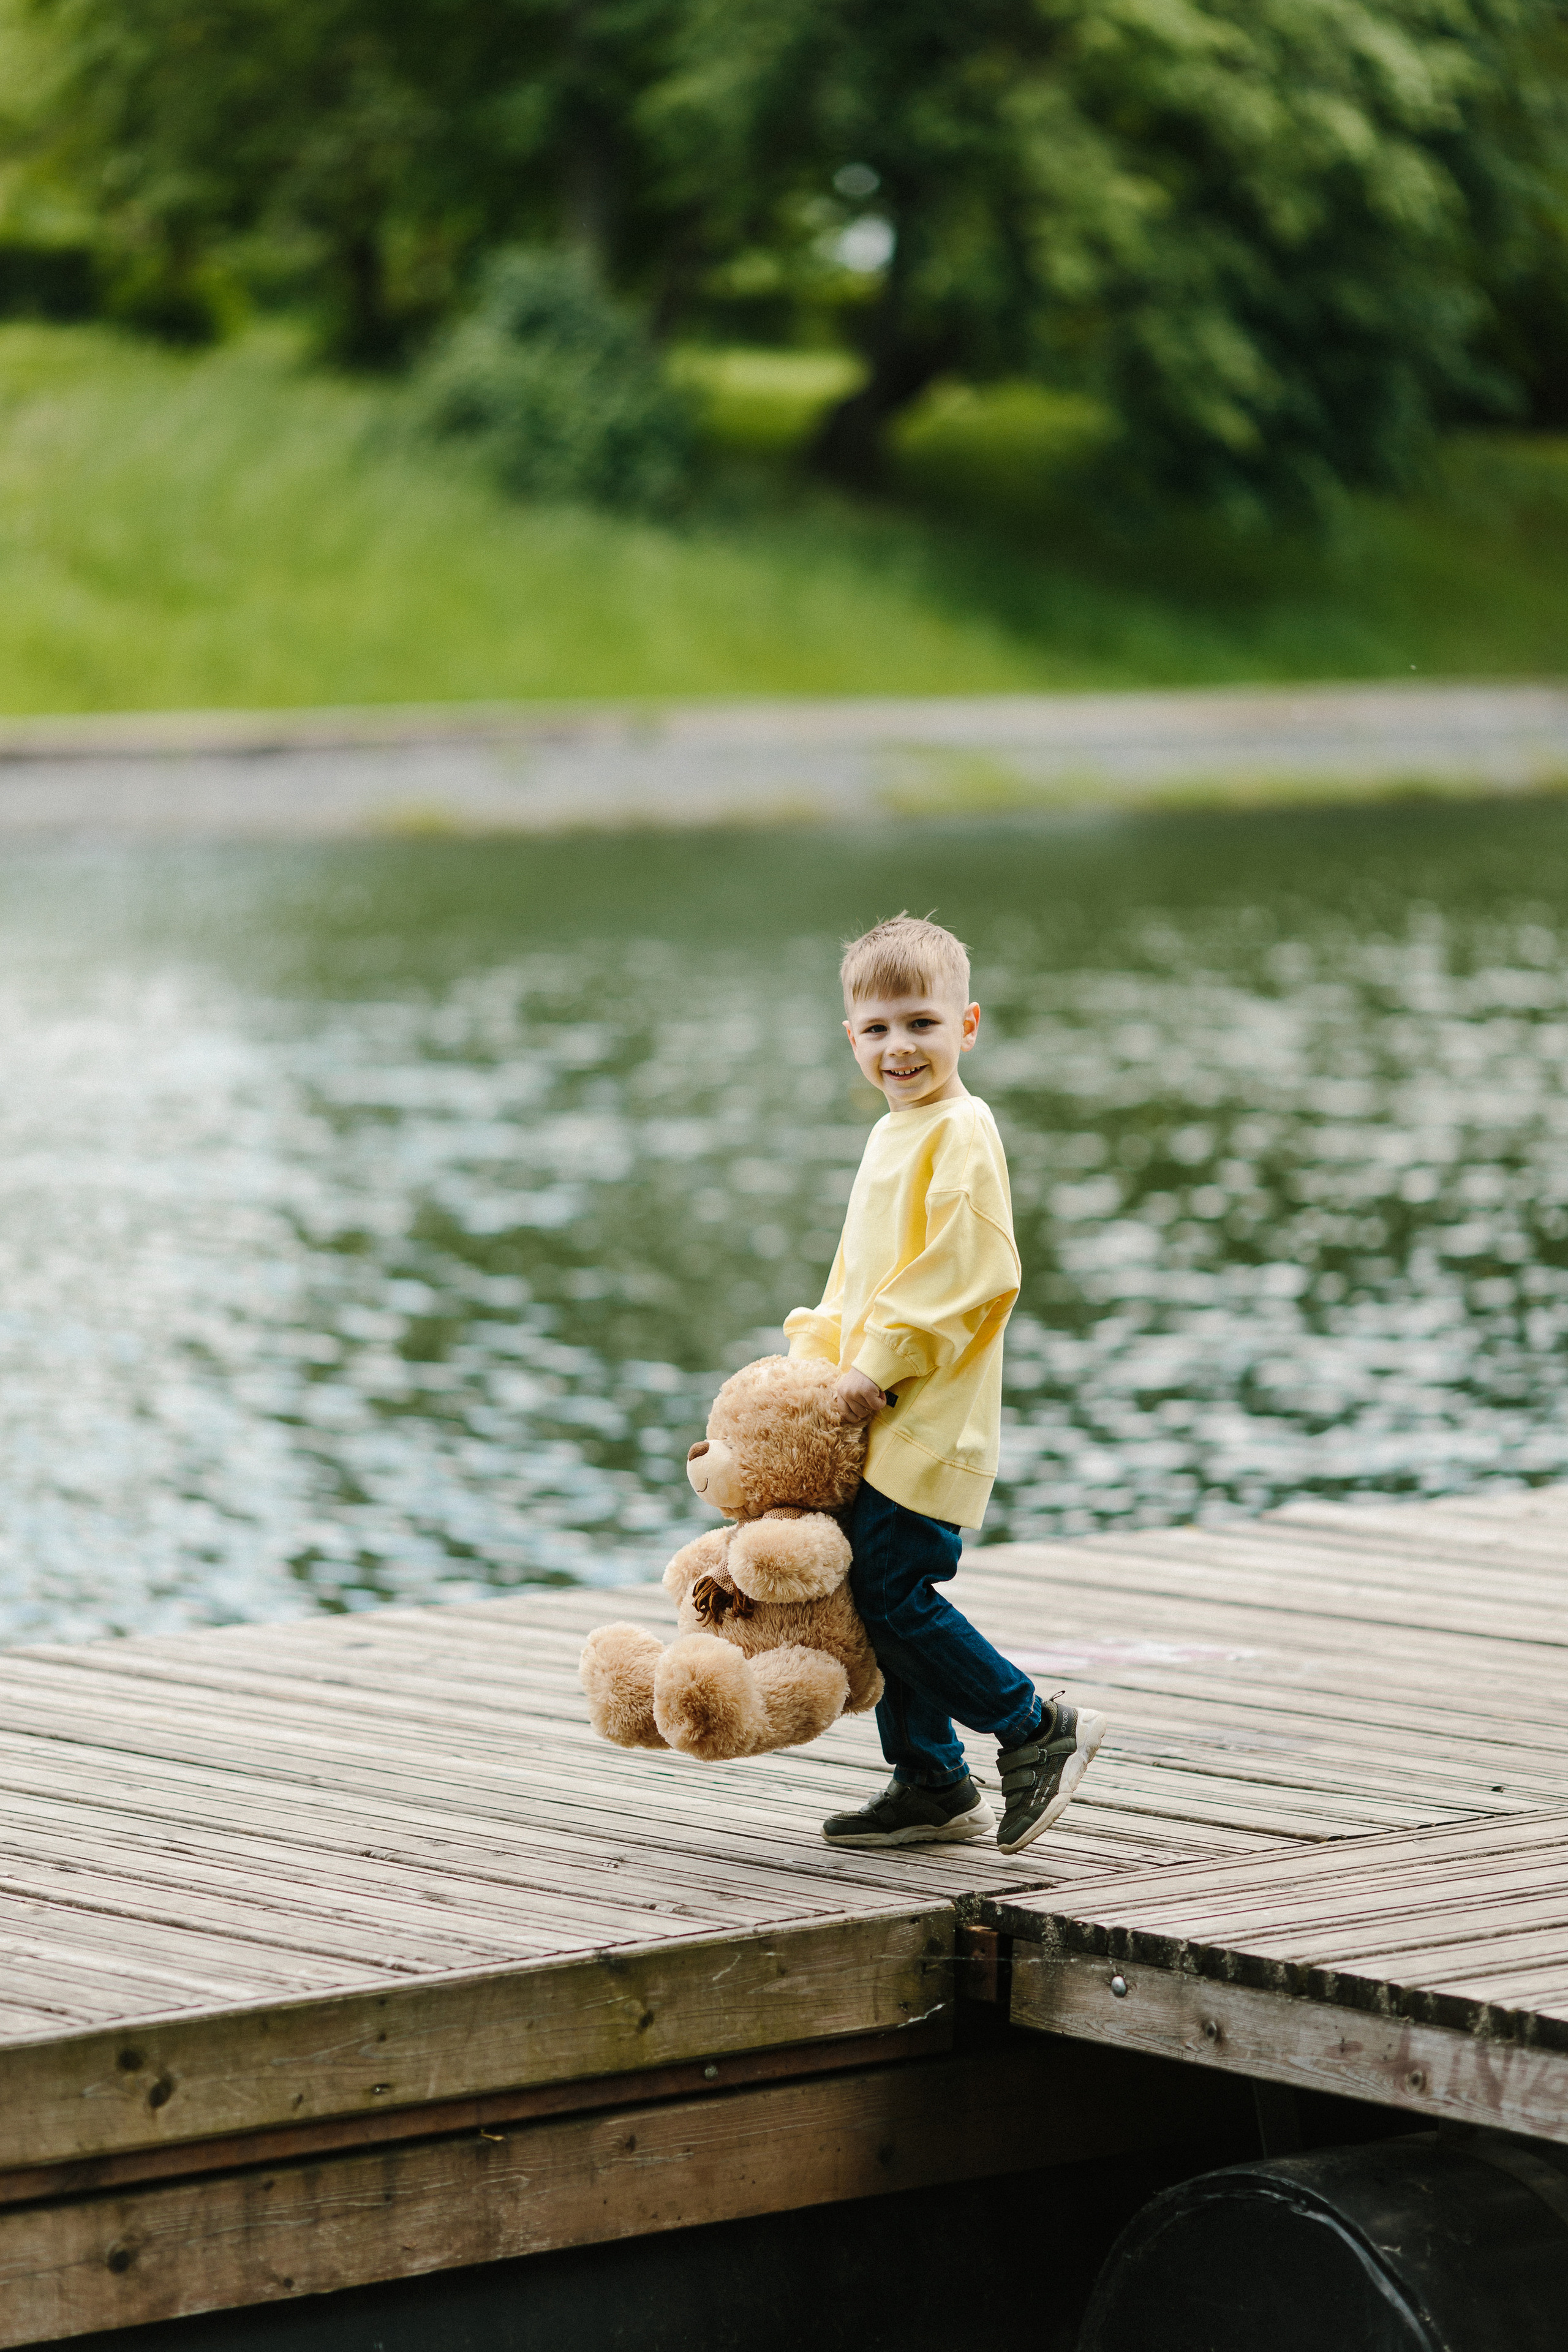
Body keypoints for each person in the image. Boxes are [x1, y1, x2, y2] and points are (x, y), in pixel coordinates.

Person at [785, 913, 1106, 1852]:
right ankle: (929, 1777)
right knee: (874, 1594)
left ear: (967, 1027)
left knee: (896, 1593)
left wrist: (874, 1369)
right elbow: (856, 1278)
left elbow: (967, 1274)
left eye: (922, 1023)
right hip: (872, 1417)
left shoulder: (960, 1132)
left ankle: (1035, 1729)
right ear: (852, 1040)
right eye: (878, 1030)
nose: (900, 1047)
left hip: (928, 1419)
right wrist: (807, 1371)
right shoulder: (894, 1135)